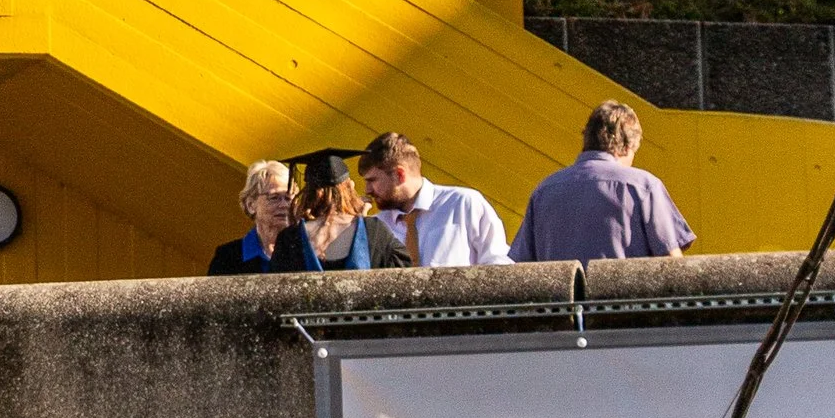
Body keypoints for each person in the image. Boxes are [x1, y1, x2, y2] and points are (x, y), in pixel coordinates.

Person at [511, 104, 695, 263]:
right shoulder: (643, 186)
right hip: (625, 301)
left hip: (562, 303)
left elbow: (522, 264)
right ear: (627, 146)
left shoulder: (544, 190)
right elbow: (671, 263)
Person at [358, 132, 509, 267]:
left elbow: (498, 264)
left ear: (400, 175)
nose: (367, 190)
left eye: (372, 181)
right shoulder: (376, 227)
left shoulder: (463, 204)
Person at [293, 152, 409, 273]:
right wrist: (364, 226)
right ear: (349, 187)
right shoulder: (374, 231)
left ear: (308, 192)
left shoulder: (290, 239)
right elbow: (407, 273)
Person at [210, 162, 302, 276]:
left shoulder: (306, 251)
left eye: (289, 198)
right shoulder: (227, 257)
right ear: (251, 205)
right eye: (274, 198)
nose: (284, 205)